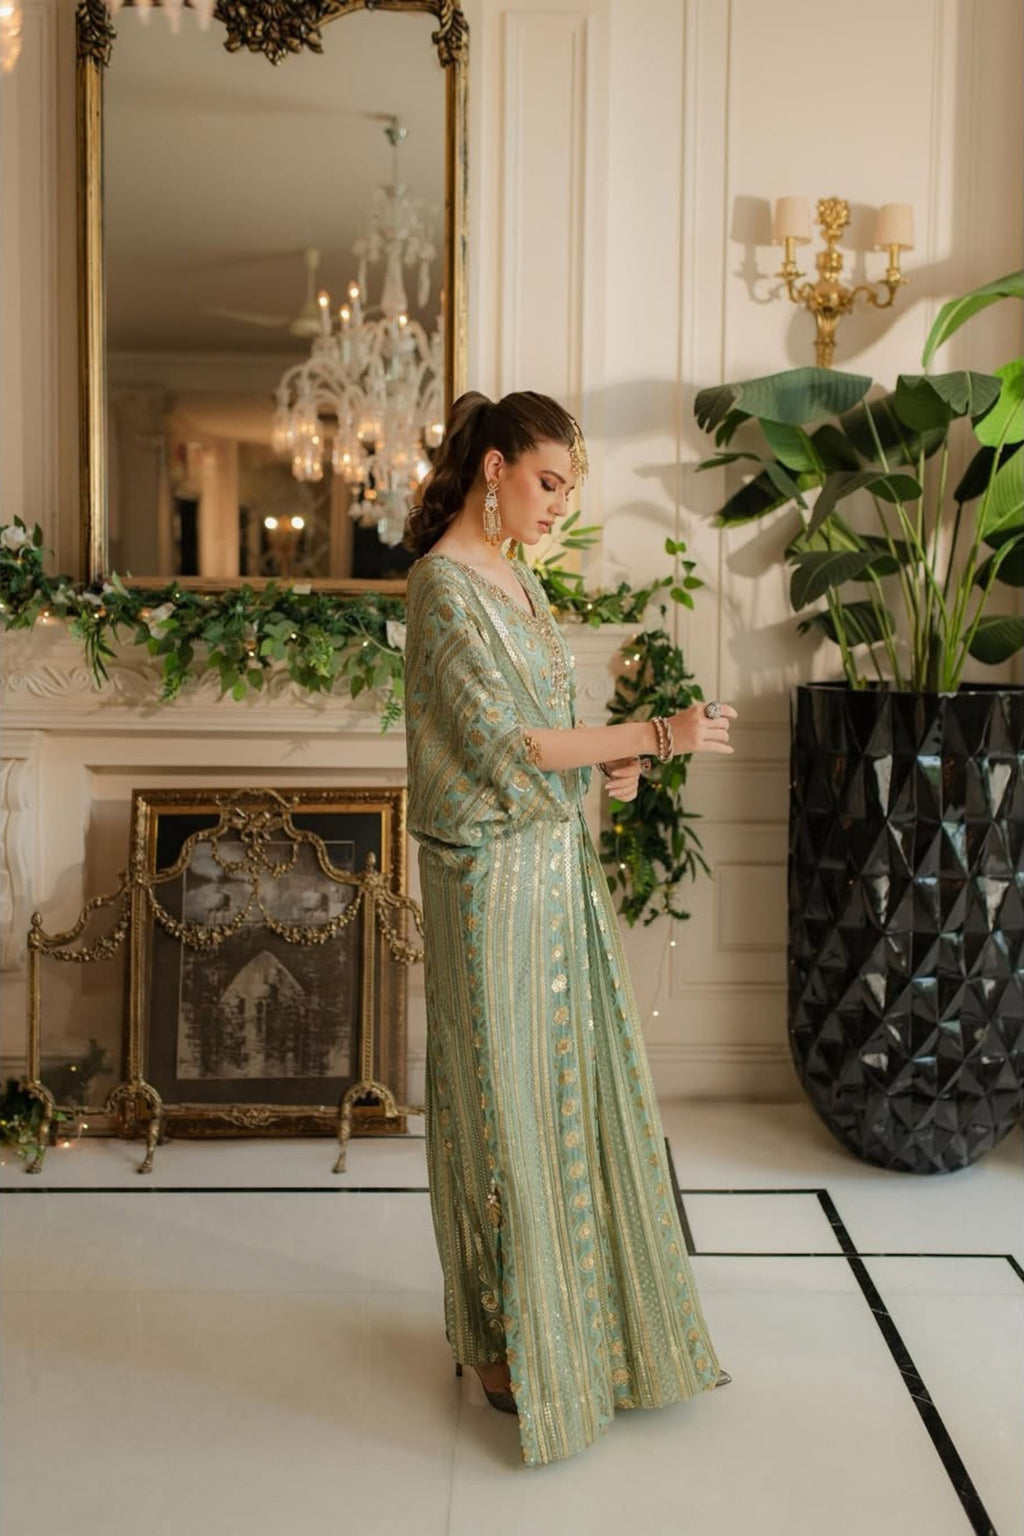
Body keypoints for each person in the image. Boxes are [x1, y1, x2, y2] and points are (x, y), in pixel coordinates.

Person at [402, 390, 737, 1467]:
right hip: (486, 880)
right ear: (492, 467)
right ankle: (509, 1341)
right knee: (503, 1102)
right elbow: (503, 746)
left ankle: (588, 1324)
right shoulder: (444, 589)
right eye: (548, 483)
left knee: (574, 1087)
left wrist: (620, 760)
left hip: (553, 867)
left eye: (568, 489)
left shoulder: (520, 582)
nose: (560, 506)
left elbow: (551, 731)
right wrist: (656, 731)